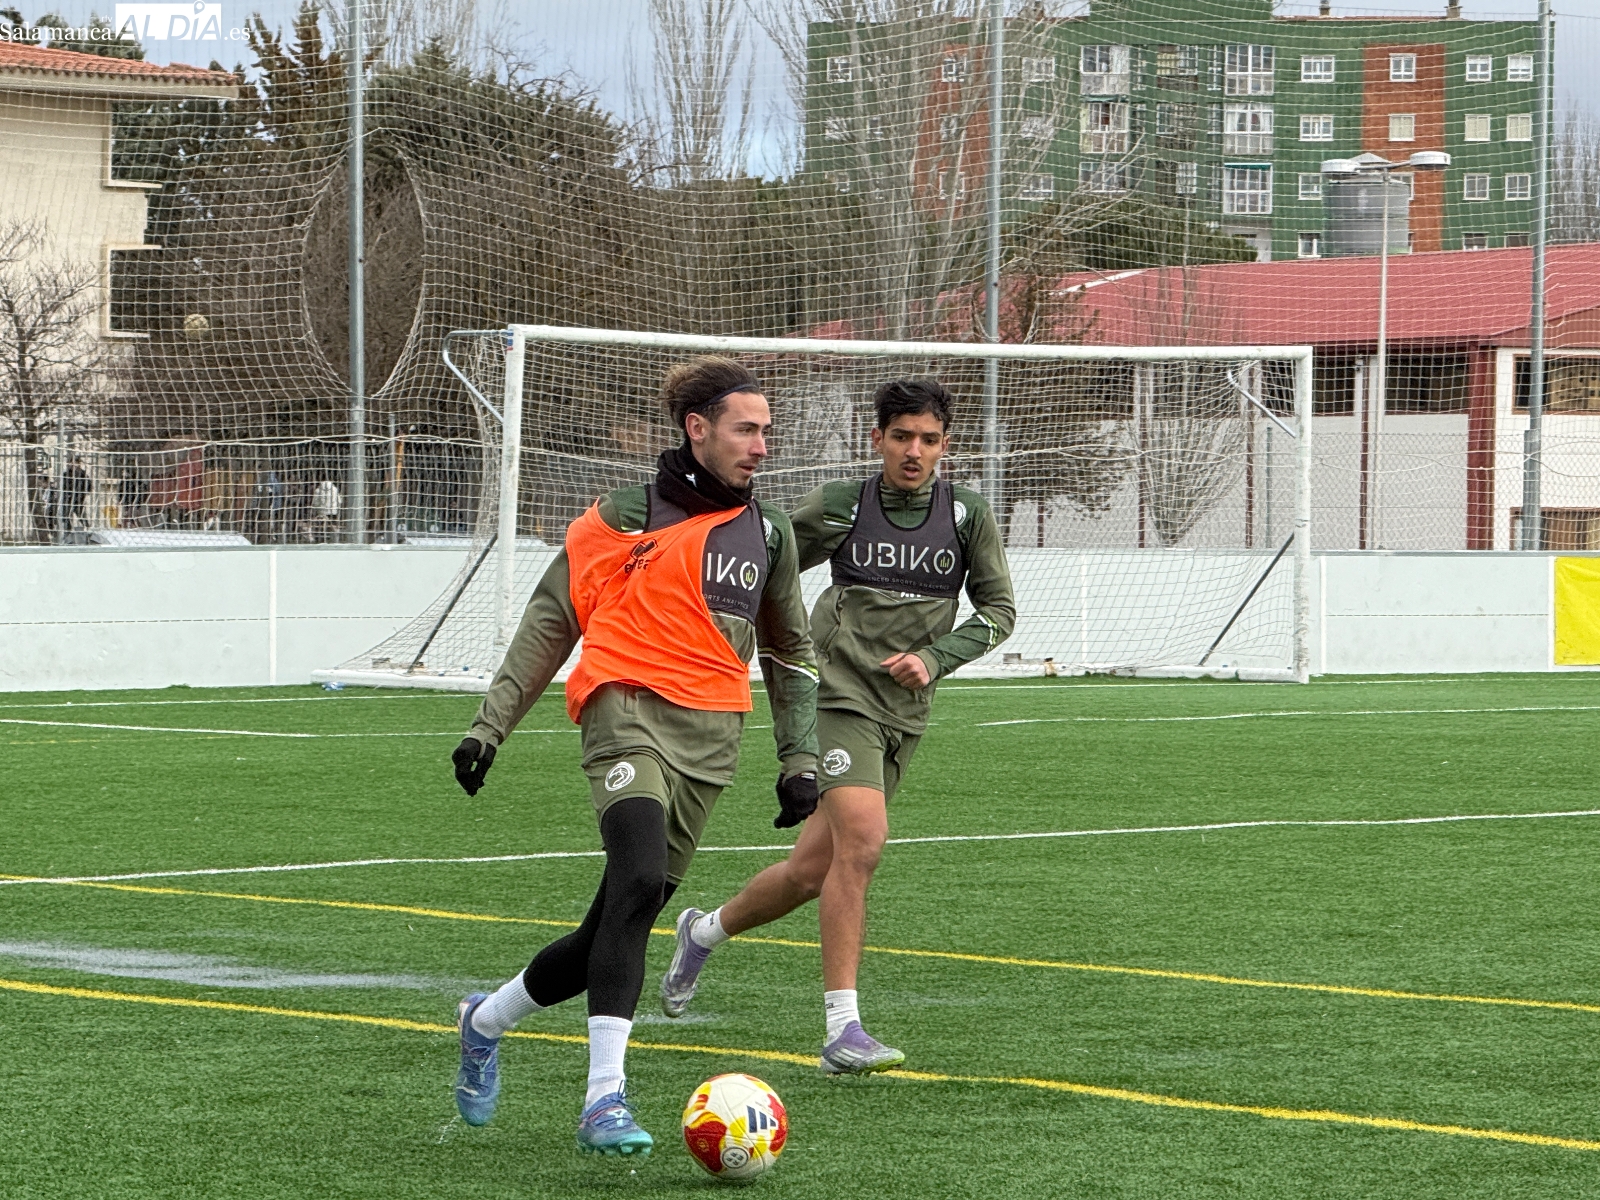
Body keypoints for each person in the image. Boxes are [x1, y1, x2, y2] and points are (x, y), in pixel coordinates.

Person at [447, 356, 819, 1158]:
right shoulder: (620, 516)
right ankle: (603, 1099)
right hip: (625, 712)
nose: (761, 446)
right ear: (698, 429)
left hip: (712, 738)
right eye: (746, 429)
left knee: (613, 923)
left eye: (766, 431)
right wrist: (489, 726)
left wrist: (800, 757)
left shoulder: (771, 533)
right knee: (641, 878)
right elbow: (551, 622)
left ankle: (484, 1021)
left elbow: (791, 652)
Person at [658, 377, 1015, 1074]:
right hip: (837, 698)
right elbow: (760, 558)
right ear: (877, 439)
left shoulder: (966, 515)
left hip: (904, 715)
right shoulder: (843, 505)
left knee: (808, 873)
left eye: (929, 440)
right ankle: (842, 1029)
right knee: (865, 841)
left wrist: (935, 658)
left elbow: (999, 612)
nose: (914, 451)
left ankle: (703, 932)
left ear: (946, 445)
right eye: (901, 437)